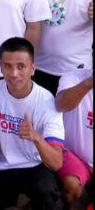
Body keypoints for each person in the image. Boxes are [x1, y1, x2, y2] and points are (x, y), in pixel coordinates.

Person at [0, 37, 64, 210]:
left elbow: (56, 162)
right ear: (0, 66)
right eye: (8, 66)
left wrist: (36, 138)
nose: (14, 73)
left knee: (46, 191)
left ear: (32, 68)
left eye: (21, 66)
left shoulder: (47, 101)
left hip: (35, 166)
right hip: (3, 166)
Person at [55, 67, 93, 206]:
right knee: (71, 185)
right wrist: (89, 83)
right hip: (73, 155)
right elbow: (61, 105)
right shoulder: (72, 77)